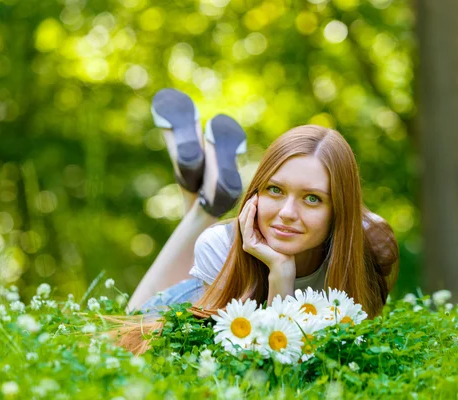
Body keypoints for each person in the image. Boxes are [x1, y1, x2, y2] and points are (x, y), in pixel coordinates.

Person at [119, 89, 399, 354]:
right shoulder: (218, 245)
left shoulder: (369, 252)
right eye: (275, 190)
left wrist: (281, 276)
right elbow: (259, 363)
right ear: (256, 193)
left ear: (339, 209)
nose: (288, 212)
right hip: (192, 303)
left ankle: (203, 193)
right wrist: (280, 273)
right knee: (122, 326)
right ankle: (204, 207)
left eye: (312, 198)